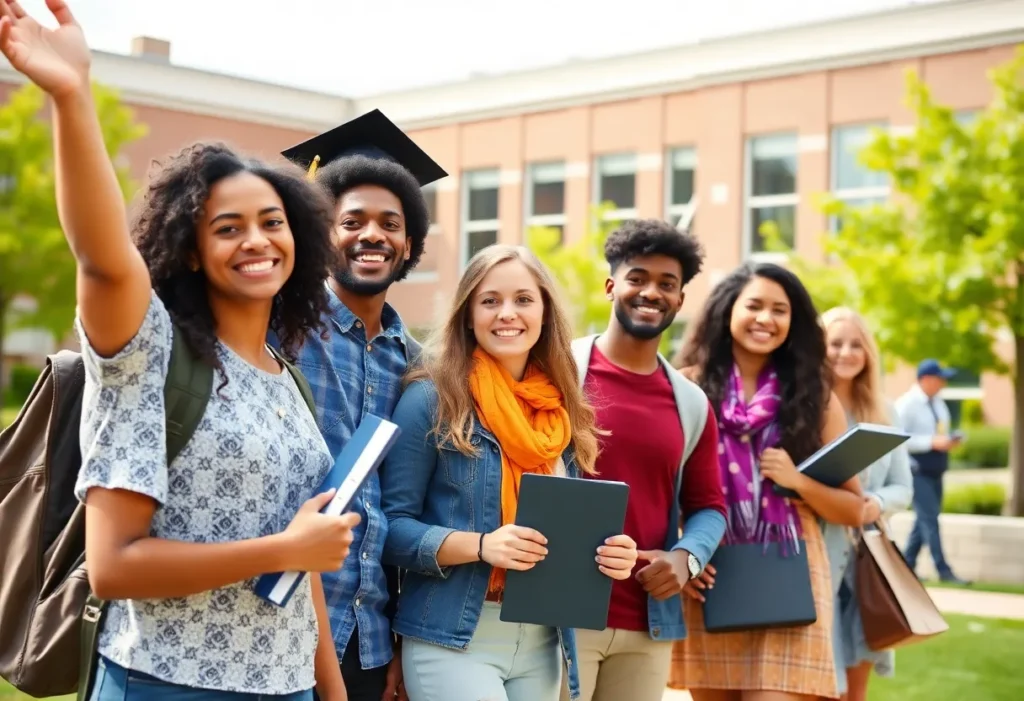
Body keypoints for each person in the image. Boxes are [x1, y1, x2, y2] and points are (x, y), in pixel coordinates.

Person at [0, 2, 358, 699]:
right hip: (165, 680)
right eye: (227, 227)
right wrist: (72, 97)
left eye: (271, 222)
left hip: (286, 685)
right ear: (191, 252)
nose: (256, 240)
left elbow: (301, 563)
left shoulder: (287, 378)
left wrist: (331, 690)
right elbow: (115, 567)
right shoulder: (149, 350)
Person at [379, 245, 639, 701]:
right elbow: (388, 529)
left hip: (543, 639)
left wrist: (608, 555)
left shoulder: (561, 410)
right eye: (490, 300)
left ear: (544, 312)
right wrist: (481, 546)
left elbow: (564, 532)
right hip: (454, 636)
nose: (507, 314)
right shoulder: (431, 399)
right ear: (468, 314)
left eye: (523, 299)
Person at [277, 109, 448, 701]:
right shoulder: (280, 330)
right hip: (277, 618)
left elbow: (408, 505)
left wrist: (398, 641)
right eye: (351, 220)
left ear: (409, 244)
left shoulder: (424, 367)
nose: (372, 235)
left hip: (369, 638)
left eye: (390, 223)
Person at [670, 262, 865, 701]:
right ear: (727, 312)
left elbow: (855, 507)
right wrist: (683, 549)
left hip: (790, 575)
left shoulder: (814, 395)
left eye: (780, 310)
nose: (766, 319)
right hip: (712, 575)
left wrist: (798, 482)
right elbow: (661, 490)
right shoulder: (688, 389)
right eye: (754, 305)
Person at [564, 220, 726, 701]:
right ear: (612, 286)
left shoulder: (691, 403)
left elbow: (710, 507)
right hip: (559, 615)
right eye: (638, 278)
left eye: (667, 285)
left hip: (647, 624)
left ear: (679, 301)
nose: (650, 292)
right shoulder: (560, 371)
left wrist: (686, 557)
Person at [821, 307, 913, 701]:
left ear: (868, 353)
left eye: (856, 344)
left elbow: (902, 488)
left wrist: (873, 504)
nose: (845, 352)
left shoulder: (884, 410)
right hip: (818, 559)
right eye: (836, 343)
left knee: (855, 692)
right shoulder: (803, 407)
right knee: (818, 684)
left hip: (866, 567)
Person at [895, 359, 970, 585]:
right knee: (930, 520)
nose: (943, 384)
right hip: (916, 470)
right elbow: (898, 438)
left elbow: (941, 430)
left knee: (924, 520)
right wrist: (930, 442)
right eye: (940, 379)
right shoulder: (907, 404)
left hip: (936, 468)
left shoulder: (938, 403)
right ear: (926, 379)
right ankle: (943, 570)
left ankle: (906, 565)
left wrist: (949, 440)